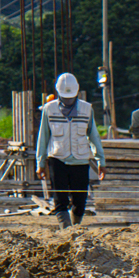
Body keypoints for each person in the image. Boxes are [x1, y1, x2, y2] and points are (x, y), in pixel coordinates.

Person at [36, 72, 104, 228]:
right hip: (57, 159)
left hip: (80, 160)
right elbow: (43, 137)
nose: (68, 100)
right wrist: (40, 163)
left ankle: (75, 224)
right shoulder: (49, 109)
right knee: (60, 200)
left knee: (80, 201)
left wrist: (101, 160)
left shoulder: (87, 109)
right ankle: (67, 231)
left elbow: (94, 136)